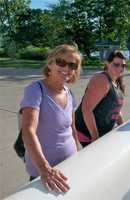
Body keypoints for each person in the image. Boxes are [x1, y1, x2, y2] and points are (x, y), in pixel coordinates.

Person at [20, 44, 82, 193]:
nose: (66, 68)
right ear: (50, 63)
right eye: (61, 62)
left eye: (72, 65)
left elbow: (71, 129)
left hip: (69, 165)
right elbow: (28, 130)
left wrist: (79, 155)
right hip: (44, 173)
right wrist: (45, 169)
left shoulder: (69, 93)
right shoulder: (36, 90)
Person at [75, 50, 127, 147]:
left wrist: (123, 127)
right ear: (107, 63)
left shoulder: (117, 82)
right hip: (87, 134)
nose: (120, 68)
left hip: (102, 134)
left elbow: (115, 109)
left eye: (123, 65)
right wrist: (95, 139)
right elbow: (86, 110)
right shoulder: (101, 80)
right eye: (116, 64)